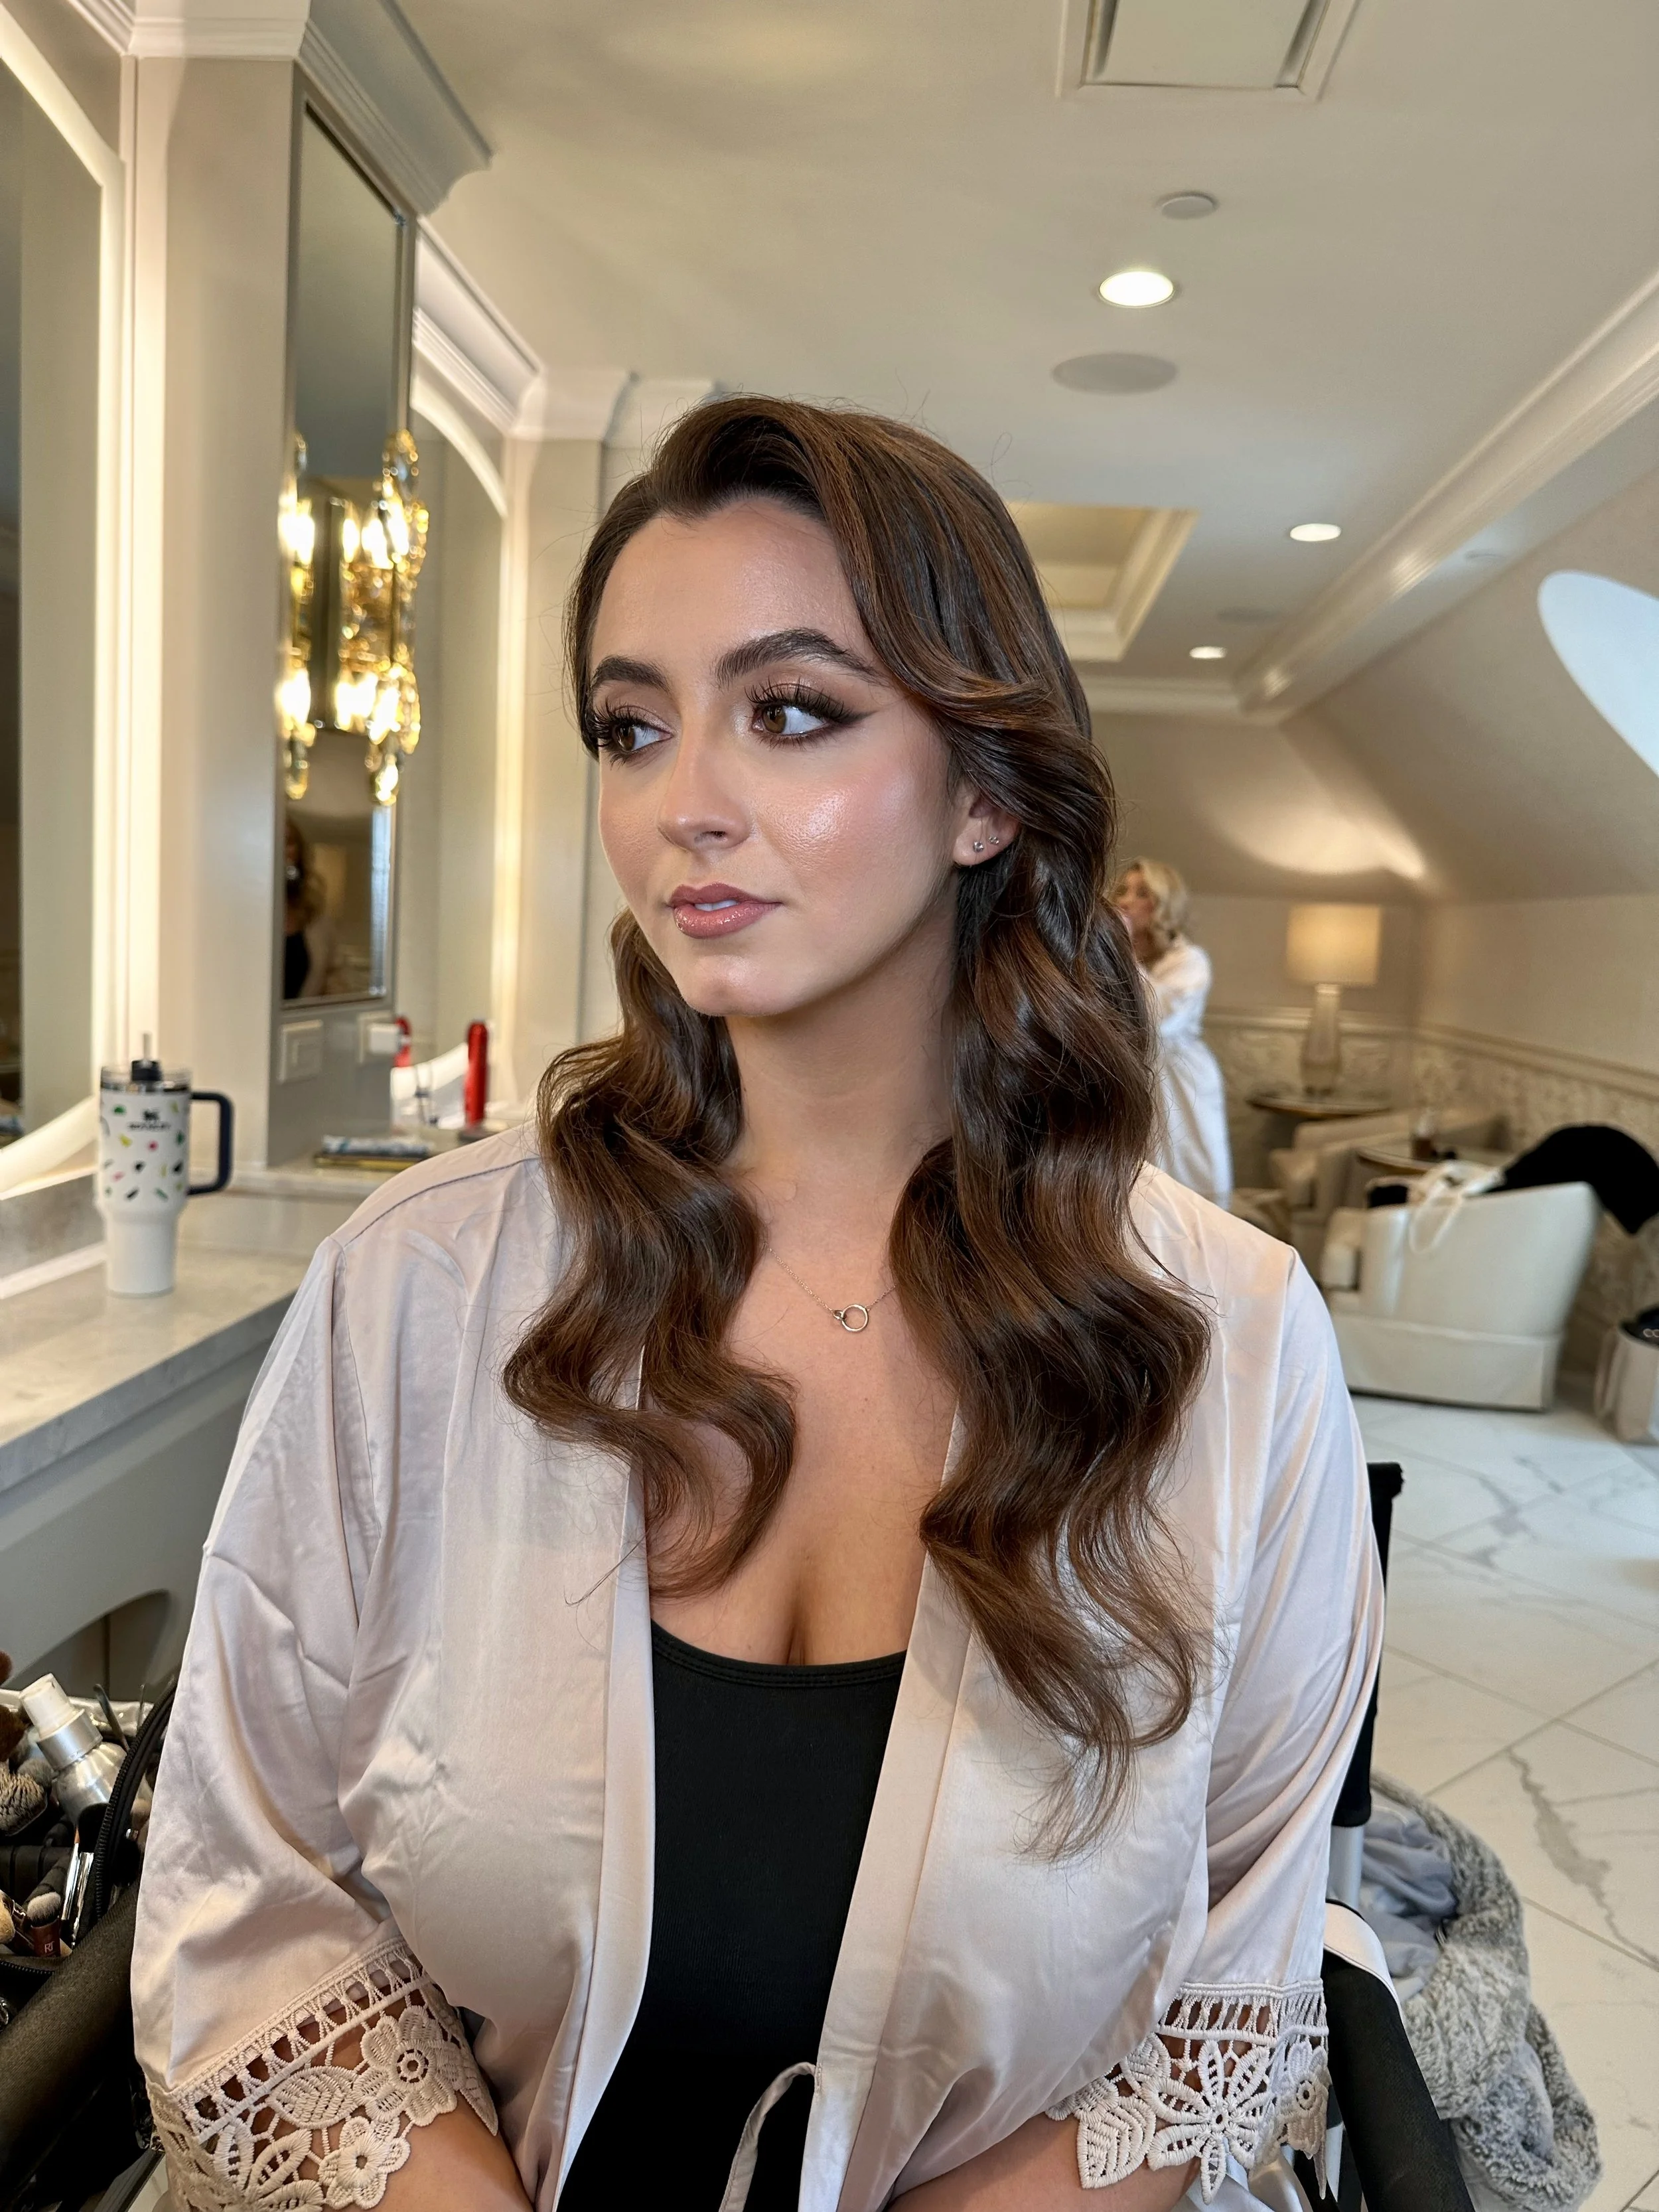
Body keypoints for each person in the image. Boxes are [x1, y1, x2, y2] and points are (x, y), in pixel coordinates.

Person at [133, 400, 1380, 2212]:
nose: (682, 802)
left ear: (980, 787)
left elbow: (1224, 2010)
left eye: (790, 710)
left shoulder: (1235, 1347)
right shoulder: (416, 1293)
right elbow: (255, 1899)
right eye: (633, 726)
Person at [1112, 859, 1233, 1208]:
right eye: (1122, 891)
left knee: (1186, 1182)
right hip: (1131, 1075)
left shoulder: (1190, 961)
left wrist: (1123, 955)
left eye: (1141, 893)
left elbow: (1157, 1020)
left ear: (1164, 904)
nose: (1125, 901)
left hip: (1179, 1083)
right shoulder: (1112, 958)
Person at [282, 816, 342, 999]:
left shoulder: (317, 918)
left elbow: (335, 977)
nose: (283, 851)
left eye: (289, 842)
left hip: (301, 1024)